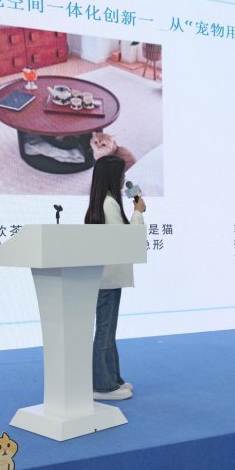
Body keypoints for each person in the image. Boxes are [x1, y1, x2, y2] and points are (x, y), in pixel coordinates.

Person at [85, 155, 146, 401]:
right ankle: (102, 385)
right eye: (122, 174)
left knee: (108, 330)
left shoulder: (105, 202)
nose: (124, 179)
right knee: (105, 330)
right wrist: (138, 213)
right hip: (108, 278)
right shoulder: (109, 204)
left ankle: (111, 378)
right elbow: (127, 240)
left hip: (108, 277)